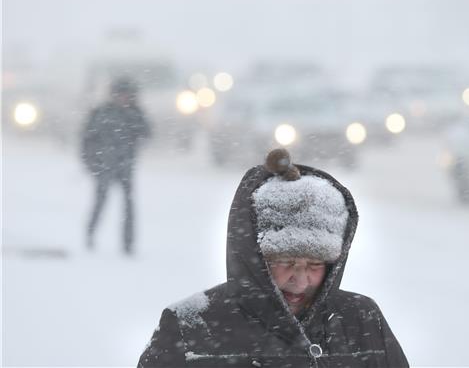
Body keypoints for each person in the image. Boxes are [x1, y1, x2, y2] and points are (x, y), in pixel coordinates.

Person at [138, 149, 408, 367]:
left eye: (315, 264)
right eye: (286, 261)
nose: (300, 281)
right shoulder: (191, 327)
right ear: (254, 257)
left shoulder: (361, 319)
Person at [81, 76, 151, 255]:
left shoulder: (135, 113)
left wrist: (135, 116)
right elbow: (87, 139)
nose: (123, 98)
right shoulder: (102, 112)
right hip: (104, 166)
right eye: (120, 94)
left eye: (127, 95)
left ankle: (128, 244)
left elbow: (147, 133)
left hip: (126, 167)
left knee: (128, 206)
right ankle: (90, 235)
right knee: (99, 203)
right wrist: (90, 162)